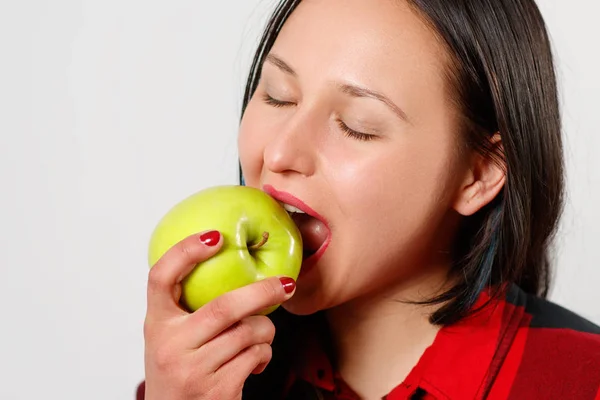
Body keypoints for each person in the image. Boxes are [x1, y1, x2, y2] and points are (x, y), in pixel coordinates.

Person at [138, 0, 600, 399]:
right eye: (277, 96)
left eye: (358, 124)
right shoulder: (204, 380)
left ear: (478, 174)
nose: (279, 153)